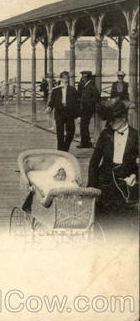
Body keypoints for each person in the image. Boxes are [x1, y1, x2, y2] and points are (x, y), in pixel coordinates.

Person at [88, 100, 138, 235]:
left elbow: (137, 165)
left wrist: (134, 176)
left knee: (125, 222)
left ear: (123, 119)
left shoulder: (136, 136)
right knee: (103, 221)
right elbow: (94, 162)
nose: (109, 123)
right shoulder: (106, 135)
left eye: (112, 120)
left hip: (124, 182)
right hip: (105, 181)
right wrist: (92, 186)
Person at [45, 71, 79, 152]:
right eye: (64, 78)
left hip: (69, 113)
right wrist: (49, 107)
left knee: (70, 132)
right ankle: (60, 150)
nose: (65, 80)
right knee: (60, 133)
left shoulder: (73, 90)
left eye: (67, 78)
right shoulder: (56, 90)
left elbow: (76, 103)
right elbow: (52, 100)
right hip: (59, 113)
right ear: (60, 79)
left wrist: (78, 116)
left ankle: (65, 148)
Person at [77, 70, 100, 148]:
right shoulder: (85, 85)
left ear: (87, 77)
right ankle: (86, 142)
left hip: (88, 108)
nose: (82, 78)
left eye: (84, 77)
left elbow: (96, 97)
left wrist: (88, 102)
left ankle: (85, 143)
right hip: (84, 108)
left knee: (84, 125)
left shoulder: (91, 85)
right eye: (82, 76)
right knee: (84, 125)